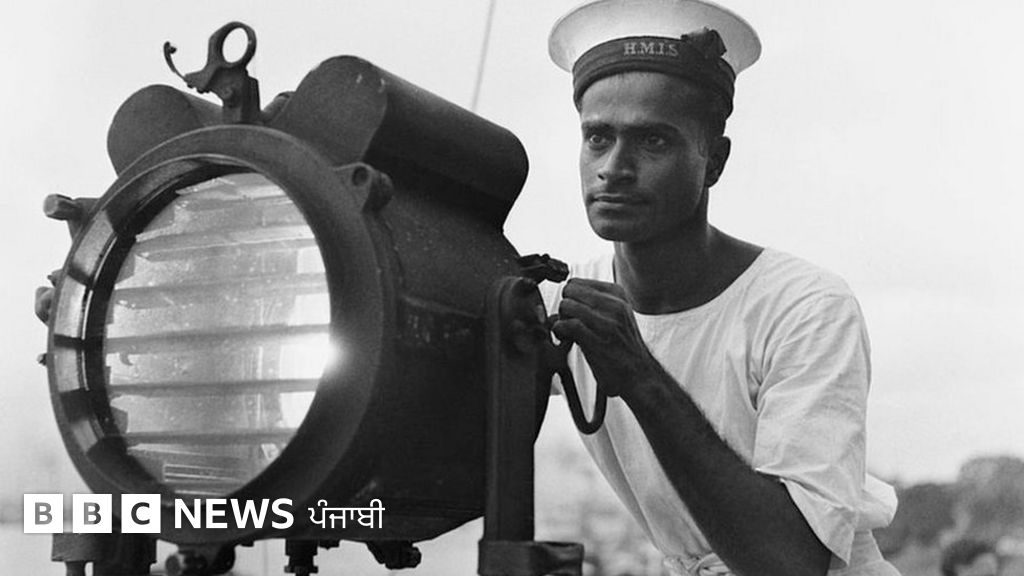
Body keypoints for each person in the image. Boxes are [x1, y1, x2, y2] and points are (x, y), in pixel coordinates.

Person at [542, 1, 900, 574]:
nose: (615, 167)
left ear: (714, 161)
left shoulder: (804, 307)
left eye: (653, 141)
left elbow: (791, 564)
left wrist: (639, 375)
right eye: (598, 138)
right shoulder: (564, 301)